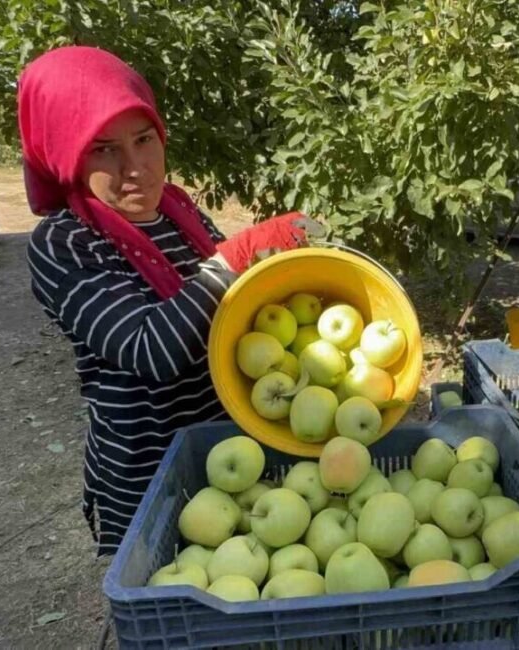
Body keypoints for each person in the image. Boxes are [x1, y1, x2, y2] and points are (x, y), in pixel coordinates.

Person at [18, 46, 312, 555]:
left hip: (229, 456)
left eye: (144, 138)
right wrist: (234, 257)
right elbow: (148, 349)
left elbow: (227, 311)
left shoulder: (178, 212)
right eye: (104, 148)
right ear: (64, 153)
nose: (136, 167)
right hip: (146, 479)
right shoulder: (65, 242)